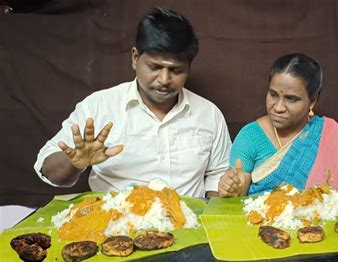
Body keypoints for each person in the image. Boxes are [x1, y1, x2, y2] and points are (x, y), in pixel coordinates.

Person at [34, 7, 231, 198]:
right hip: (115, 226)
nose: (164, 79)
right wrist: (75, 162)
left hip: (189, 226)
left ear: (189, 67)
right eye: (154, 67)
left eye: (176, 70)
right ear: (135, 58)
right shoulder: (99, 106)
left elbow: (218, 175)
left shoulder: (208, 114)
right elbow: (47, 168)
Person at [218, 53, 338, 197]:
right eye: (273, 95)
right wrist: (231, 188)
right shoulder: (250, 136)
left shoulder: (328, 134)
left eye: (291, 99)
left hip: (318, 233)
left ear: (312, 101)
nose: (278, 107)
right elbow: (238, 196)